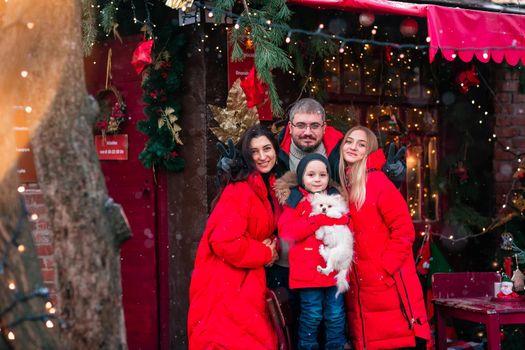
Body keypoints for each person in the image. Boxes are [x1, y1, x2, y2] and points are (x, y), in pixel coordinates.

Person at [188, 125, 284, 350]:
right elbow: (224, 242)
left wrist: (273, 246)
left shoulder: (265, 187)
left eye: (267, 148)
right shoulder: (240, 190)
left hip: (246, 282)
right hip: (227, 286)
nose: (262, 156)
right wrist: (265, 252)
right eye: (254, 151)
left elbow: (265, 230)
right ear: (246, 156)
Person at [338, 126, 430, 349]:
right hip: (360, 287)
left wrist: (384, 268)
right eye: (349, 141)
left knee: (393, 340)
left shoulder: (377, 182)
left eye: (361, 144)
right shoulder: (345, 187)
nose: (353, 147)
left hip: (385, 284)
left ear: (369, 151)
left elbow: (404, 230)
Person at [277, 154, 350, 350]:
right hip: (308, 272)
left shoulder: (335, 197)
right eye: (311, 174)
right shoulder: (295, 201)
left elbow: (345, 220)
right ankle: (307, 346)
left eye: (322, 174)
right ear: (302, 177)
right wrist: (316, 221)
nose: (317, 179)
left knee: (335, 314)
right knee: (312, 313)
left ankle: (335, 346)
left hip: (333, 269)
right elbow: (287, 231)